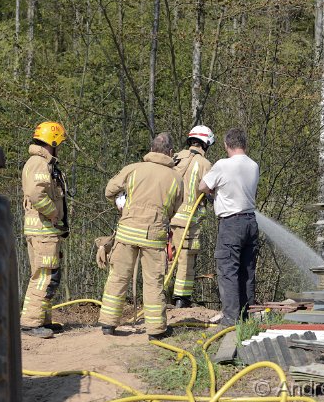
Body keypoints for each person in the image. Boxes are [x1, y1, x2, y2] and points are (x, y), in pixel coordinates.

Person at [98, 133, 183, 340]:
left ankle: (108, 324)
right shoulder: (176, 178)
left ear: (151, 149)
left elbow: (110, 190)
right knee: (153, 282)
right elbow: (176, 207)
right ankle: (155, 331)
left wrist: (122, 204)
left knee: (118, 276)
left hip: (127, 231)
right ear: (170, 153)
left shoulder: (133, 169)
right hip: (154, 235)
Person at [199, 127, 260, 327]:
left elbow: (203, 186)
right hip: (251, 222)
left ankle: (230, 320)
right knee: (247, 271)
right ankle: (246, 316)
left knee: (228, 270)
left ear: (227, 145)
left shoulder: (223, 165)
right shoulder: (253, 165)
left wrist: (212, 193)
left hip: (231, 224)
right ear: (245, 144)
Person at [20, 121, 69, 338]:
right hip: (43, 229)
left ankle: (42, 320)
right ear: (53, 141)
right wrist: (53, 213)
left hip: (44, 231)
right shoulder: (39, 164)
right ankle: (31, 323)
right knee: (45, 277)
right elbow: (36, 194)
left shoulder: (41, 162)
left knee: (46, 274)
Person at [170, 126, 215, 308]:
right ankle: (182, 300)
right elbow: (209, 190)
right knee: (186, 260)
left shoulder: (175, 158)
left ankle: (159, 297)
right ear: (206, 144)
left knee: (164, 259)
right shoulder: (205, 164)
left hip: (167, 219)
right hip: (189, 222)